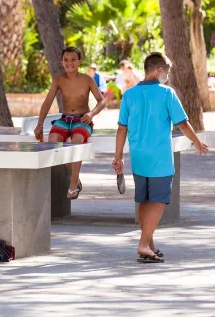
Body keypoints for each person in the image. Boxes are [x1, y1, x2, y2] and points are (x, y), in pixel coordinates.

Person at [112, 52, 208, 263]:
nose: (168, 76)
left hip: (138, 156)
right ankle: (143, 244)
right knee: (159, 200)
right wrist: (197, 142)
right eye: (168, 71)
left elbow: (121, 128)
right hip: (159, 157)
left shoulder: (129, 94)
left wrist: (118, 156)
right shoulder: (167, 93)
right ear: (159, 71)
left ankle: (150, 243)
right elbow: (182, 123)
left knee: (145, 199)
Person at [35, 47, 106, 199]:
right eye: (66, 60)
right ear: (62, 62)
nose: (69, 63)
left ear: (79, 61)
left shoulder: (87, 79)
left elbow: (102, 101)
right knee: (53, 141)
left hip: (82, 119)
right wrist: (39, 124)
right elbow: (47, 102)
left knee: (77, 141)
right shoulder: (58, 80)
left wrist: (91, 114)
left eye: (73, 59)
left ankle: (73, 185)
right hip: (64, 119)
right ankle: (76, 177)